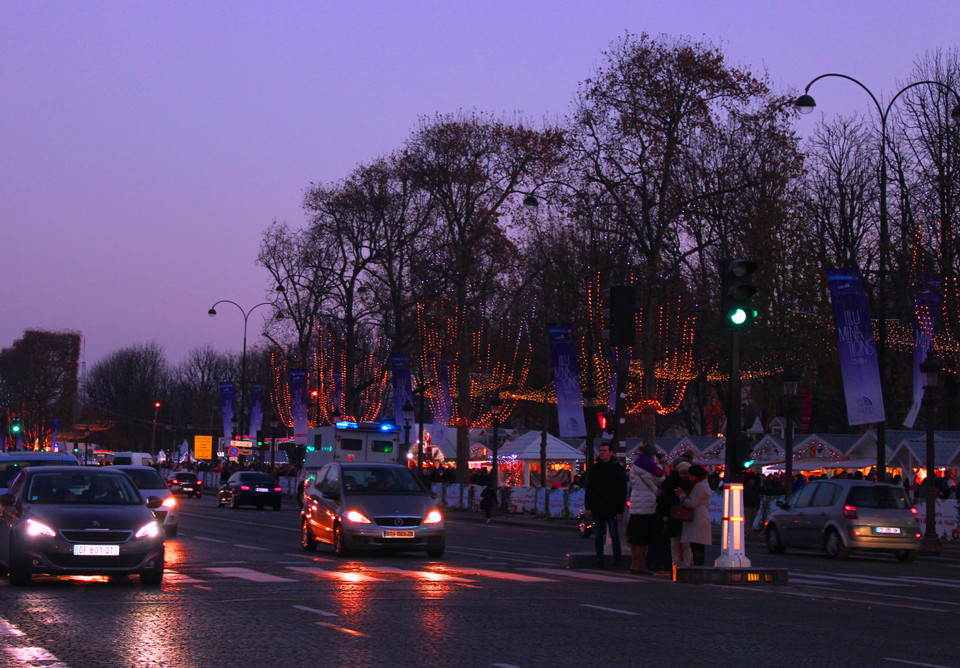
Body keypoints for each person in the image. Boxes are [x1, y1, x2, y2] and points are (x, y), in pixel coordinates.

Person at [583, 442, 628, 569]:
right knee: (598, 535)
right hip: (598, 506)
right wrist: (588, 506)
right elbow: (589, 488)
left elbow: (622, 490)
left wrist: (620, 510)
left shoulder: (617, 469)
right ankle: (600, 558)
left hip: (611, 507)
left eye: (604, 450)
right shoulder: (595, 468)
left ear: (610, 453)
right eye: (601, 450)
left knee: (614, 535)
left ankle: (617, 560)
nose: (602, 453)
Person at [627, 444, 664, 574]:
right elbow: (661, 479)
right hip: (647, 504)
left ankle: (634, 563)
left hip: (635, 503)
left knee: (635, 538)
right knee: (643, 538)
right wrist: (658, 464)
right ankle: (641, 564)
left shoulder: (635, 466)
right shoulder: (652, 467)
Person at [677, 464, 712, 566]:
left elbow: (692, 503)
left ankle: (697, 566)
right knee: (697, 544)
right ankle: (698, 565)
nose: (690, 479)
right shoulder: (703, 484)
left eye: (691, 476)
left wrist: (682, 495)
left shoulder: (699, 486)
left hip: (697, 517)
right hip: (700, 516)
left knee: (696, 545)